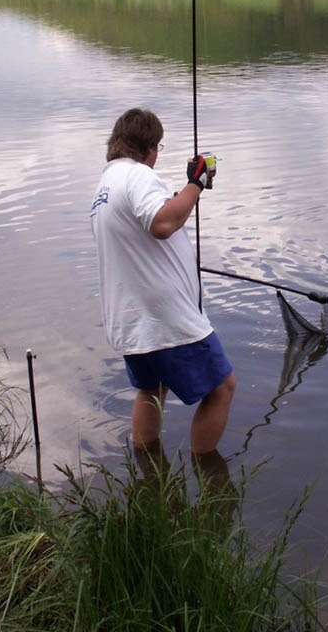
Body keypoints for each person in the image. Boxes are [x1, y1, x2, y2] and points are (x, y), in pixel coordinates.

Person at [90, 108, 236, 457]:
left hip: (131, 320)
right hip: (166, 320)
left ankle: (149, 479)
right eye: (158, 147)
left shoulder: (105, 185)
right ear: (150, 147)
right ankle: (208, 477)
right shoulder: (137, 175)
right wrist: (196, 183)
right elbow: (162, 224)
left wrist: (182, 196)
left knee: (150, 391)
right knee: (222, 389)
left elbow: (155, 218)